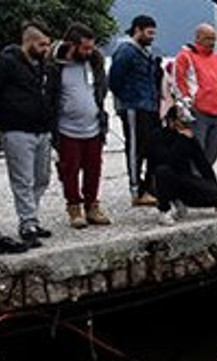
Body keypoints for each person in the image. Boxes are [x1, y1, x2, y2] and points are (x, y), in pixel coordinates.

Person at [0, 23, 57, 249]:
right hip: (17, 129)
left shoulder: (41, 65)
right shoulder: (7, 62)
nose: (46, 49)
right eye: (42, 45)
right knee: (23, 179)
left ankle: (32, 216)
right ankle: (27, 224)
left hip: (42, 128)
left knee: (42, 177)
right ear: (29, 42)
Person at [53, 24, 111, 230]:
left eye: (91, 48)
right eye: (85, 48)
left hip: (93, 126)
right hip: (66, 128)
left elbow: (102, 89)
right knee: (69, 170)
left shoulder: (94, 63)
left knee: (94, 169)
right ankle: (74, 207)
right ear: (72, 45)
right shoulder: (57, 66)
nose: (89, 52)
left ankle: (92, 206)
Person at [108, 15, 163, 207]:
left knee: (153, 148)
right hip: (134, 107)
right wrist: (127, 100)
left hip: (150, 106)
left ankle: (150, 187)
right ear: (137, 30)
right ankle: (136, 190)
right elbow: (114, 81)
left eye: (154, 33)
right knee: (135, 150)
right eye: (149, 33)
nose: (152, 37)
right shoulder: (126, 51)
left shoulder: (146, 53)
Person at [149, 105, 217, 225]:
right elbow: (166, 160)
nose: (186, 126)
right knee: (163, 171)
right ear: (171, 121)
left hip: (183, 178)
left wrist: (216, 188)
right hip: (161, 180)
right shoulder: (157, 136)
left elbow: (203, 165)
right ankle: (164, 210)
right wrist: (181, 140)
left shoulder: (188, 138)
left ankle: (181, 201)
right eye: (182, 122)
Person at [173, 24, 217, 163]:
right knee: (197, 152)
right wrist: (186, 104)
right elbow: (179, 81)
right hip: (198, 113)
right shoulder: (185, 56)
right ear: (198, 38)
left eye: (213, 39)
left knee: (213, 152)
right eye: (208, 39)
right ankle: (194, 176)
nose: (212, 42)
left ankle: (204, 174)